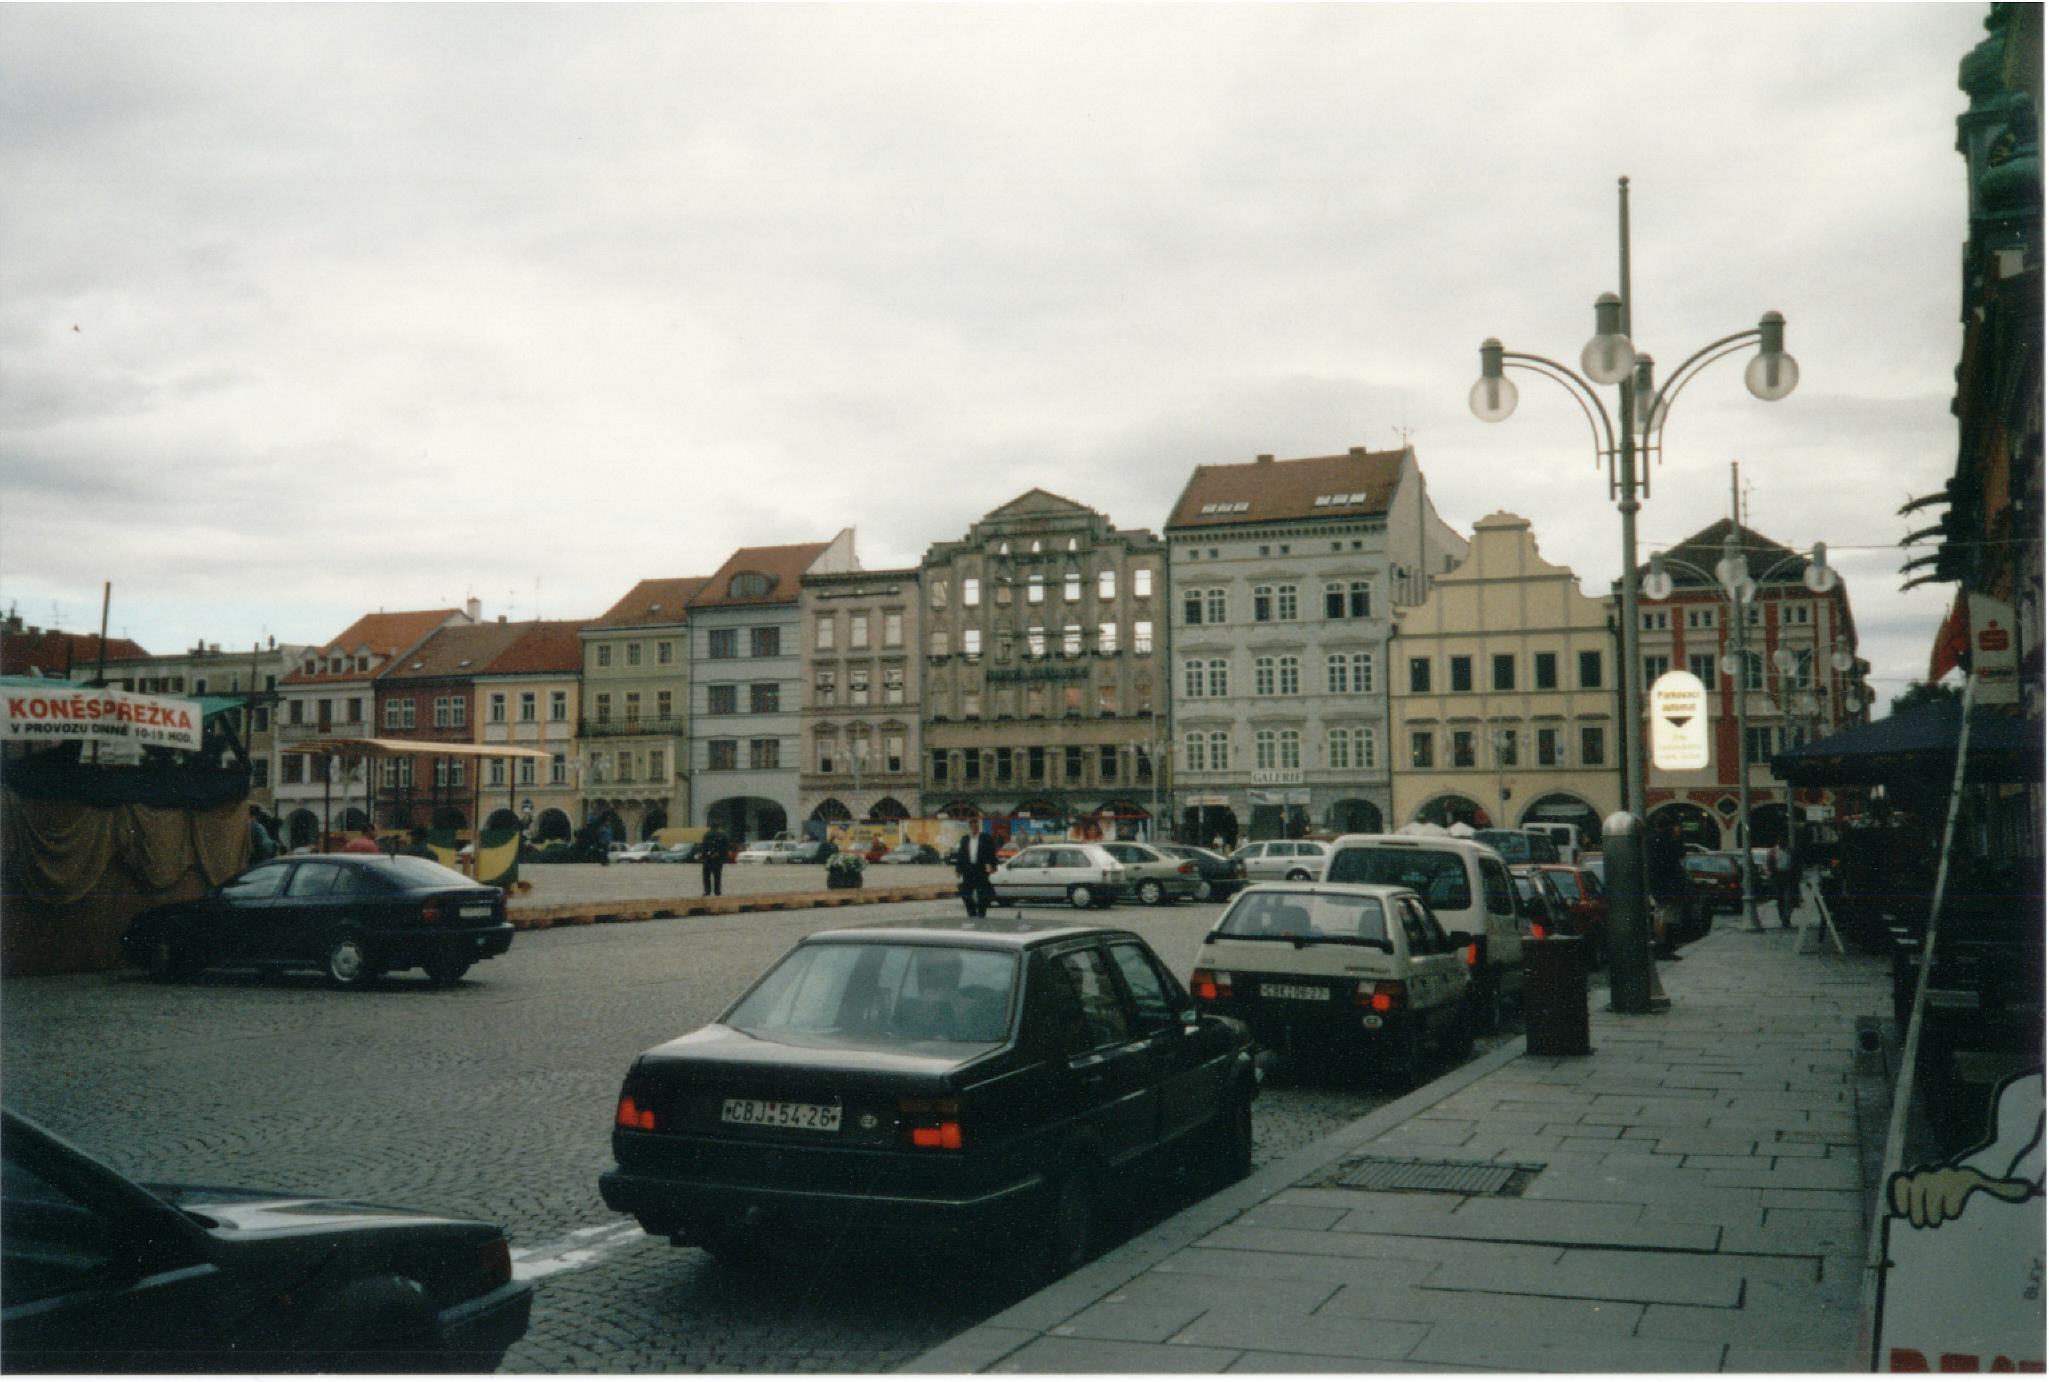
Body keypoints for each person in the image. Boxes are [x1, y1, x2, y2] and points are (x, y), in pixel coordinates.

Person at [1646, 816, 1689, 961]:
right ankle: (1663, 947)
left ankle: (1660, 944)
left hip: (1656, 883)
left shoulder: (1650, 839)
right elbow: (1681, 854)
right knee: (1666, 915)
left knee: (1660, 914)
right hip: (1669, 884)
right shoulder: (1669, 840)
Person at [955, 824, 1000, 918]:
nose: (974, 830)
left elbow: (992, 853)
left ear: (978, 828)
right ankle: (971, 914)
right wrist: (958, 870)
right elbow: (961, 855)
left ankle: (981, 914)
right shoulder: (965, 839)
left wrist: (993, 866)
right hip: (968, 870)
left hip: (981, 870)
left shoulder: (985, 838)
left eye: (975, 828)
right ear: (969, 828)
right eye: (972, 828)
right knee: (966, 893)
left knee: (982, 894)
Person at [1772, 839, 1798, 927]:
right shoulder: (1773, 852)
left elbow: (1796, 864)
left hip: (1789, 876)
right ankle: (1782, 917)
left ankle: (1787, 917)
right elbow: (1770, 864)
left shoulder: (1790, 851)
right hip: (1778, 876)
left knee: (1789, 898)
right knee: (1780, 899)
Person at [700, 825, 730, 897]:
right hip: (718, 859)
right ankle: (717, 891)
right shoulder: (723, 835)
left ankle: (707, 891)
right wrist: (721, 855)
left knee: (706, 876)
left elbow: (704, 847)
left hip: (707, 859)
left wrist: (704, 856)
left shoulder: (706, 834)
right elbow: (726, 847)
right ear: (718, 827)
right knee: (717, 876)